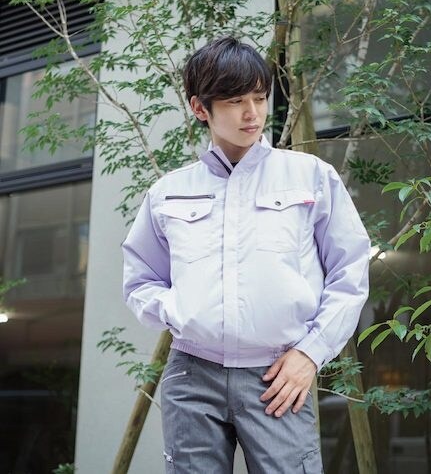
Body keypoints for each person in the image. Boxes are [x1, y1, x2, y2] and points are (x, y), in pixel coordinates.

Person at [122, 36, 370, 474]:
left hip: (279, 376)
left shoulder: (310, 177)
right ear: (200, 108)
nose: (252, 113)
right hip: (192, 375)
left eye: (259, 97)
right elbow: (141, 279)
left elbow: (349, 271)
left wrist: (311, 353)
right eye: (235, 101)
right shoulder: (168, 193)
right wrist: (178, 311)